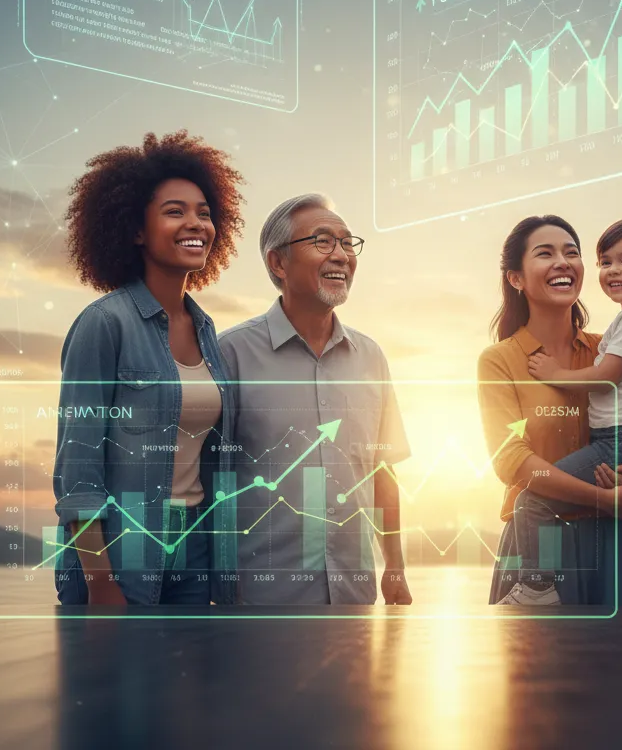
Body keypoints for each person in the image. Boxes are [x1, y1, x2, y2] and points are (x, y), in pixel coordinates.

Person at [52, 130, 245, 607]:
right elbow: (78, 468)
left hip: (195, 544)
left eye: (204, 212)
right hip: (123, 549)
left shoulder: (206, 330)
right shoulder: (104, 324)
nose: (195, 223)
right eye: (174, 211)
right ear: (136, 230)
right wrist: (100, 581)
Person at [219, 193, 412, 606]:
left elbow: (383, 472)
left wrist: (395, 565)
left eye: (347, 242)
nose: (341, 255)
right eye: (322, 241)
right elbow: (210, 479)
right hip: (261, 605)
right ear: (278, 263)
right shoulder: (230, 354)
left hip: (355, 600)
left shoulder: (371, 357)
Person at [478, 214, 622, 608]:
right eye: (545, 254)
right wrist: (603, 498)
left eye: (571, 253)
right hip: (537, 547)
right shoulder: (499, 361)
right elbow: (511, 460)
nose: (563, 262)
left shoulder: (612, 352)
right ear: (516, 278)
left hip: (616, 543)